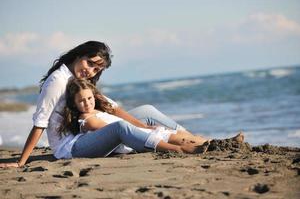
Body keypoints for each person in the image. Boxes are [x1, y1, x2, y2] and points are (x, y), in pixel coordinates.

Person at [0, 41, 208, 168]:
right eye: (89, 63)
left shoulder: (79, 80)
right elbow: (40, 123)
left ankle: (195, 139)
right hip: (71, 147)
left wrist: (143, 125)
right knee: (120, 127)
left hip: (89, 133)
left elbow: (113, 108)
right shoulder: (57, 81)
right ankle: (175, 149)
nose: (90, 71)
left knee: (147, 111)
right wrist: (21, 162)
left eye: (96, 69)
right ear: (78, 55)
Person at [60, 78, 218, 157]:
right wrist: (145, 129)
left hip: (127, 133)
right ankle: (179, 149)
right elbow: (115, 130)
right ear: (74, 104)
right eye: (81, 100)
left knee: (174, 134)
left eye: (89, 98)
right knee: (167, 137)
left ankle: (214, 142)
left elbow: (118, 116)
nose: (87, 103)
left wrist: (146, 127)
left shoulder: (97, 109)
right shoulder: (87, 119)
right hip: (121, 139)